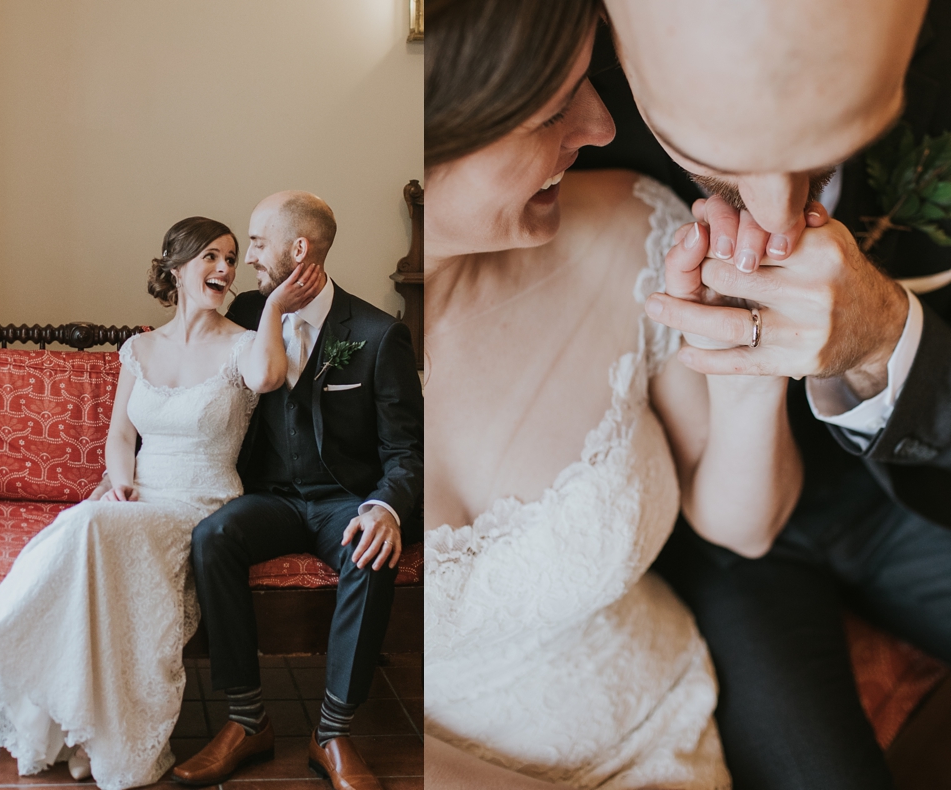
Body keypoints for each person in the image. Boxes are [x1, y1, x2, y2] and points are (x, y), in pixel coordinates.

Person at [424, 1, 804, 787]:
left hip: (667, 731)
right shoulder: (278, 370)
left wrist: (751, 362)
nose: (600, 125)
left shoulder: (633, 231)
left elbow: (746, 528)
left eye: (588, 83)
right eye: (553, 108)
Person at [574, 1, 951, 785]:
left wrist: (887, 336)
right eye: (713, 157)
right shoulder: (558, 105)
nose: (781, 224)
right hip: (716, 544)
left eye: (826, 150)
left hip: (914, 489)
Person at [0, 216, 322, 790]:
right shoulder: (139, 347)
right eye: (210, 258)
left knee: (84, 523)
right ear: (176, 269)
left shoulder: (245, 344)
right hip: (135, 498)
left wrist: (270, 308)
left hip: (200, 505)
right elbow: (121, 437)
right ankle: (46, 706)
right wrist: (119, 481)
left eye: (229, 258)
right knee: (82, 525)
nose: (225, 269)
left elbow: (270, 378)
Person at [168, 192, 424, 790]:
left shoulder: (377, 334)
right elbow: (183, 345)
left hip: (343, 501)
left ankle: (332, 732)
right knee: (214, 537)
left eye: (257, 243)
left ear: (298, 248)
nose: (246, 258)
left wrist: (385, 509)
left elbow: (406, 450)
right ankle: (246, 720)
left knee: (370, 549)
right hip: (273, 499)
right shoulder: (250, 310)